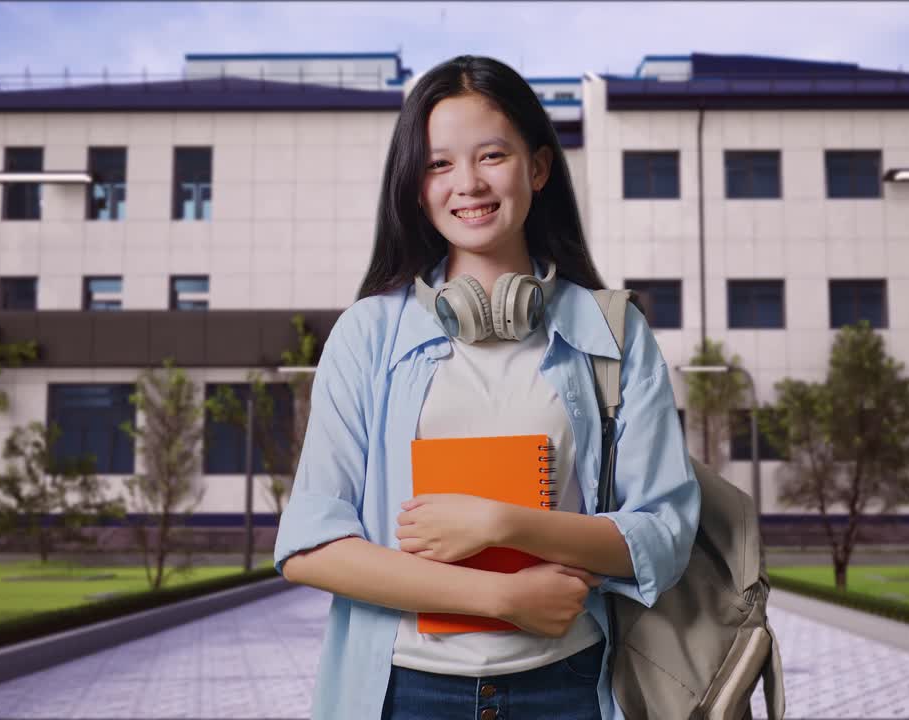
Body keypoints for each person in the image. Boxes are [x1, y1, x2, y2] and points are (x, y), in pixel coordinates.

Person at [273, 55, 700, 720]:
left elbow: (665, 536)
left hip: (569, 687)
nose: (467, 184)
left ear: (537, 167)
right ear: (416, 186)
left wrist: (503, 523)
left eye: (491, 156)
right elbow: (310, 546)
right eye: (440, 164)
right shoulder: (367, 334)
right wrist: (499, 598)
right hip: (403, 692)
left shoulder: (614, 334)